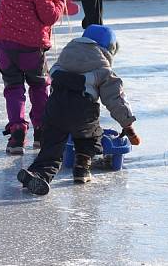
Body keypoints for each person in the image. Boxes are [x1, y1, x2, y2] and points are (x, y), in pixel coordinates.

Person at [16, 24, 140, 195]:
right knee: (92, 135)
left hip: (55, 108)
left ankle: (39, 173)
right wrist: (127, 123)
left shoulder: (66, 56)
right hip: (82, 109)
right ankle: (82, 169)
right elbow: (115, 99)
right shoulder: (102, 67)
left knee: (52, 146)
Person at [0, 0, 71, 154]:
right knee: (38, 86)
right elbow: (49, 16)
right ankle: (41, 130)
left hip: (4, 42)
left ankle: (17, 132)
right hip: (30, 45)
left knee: (13, 87)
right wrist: (60, 0)